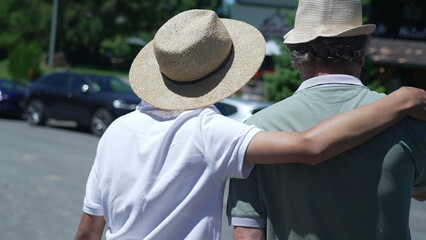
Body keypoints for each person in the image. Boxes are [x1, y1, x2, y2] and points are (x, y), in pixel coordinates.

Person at [74, 9, 426, 240]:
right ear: (363, 55)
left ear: (296, 60)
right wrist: (403, 100)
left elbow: (89, 231)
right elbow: (310, 147)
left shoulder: (117, 129)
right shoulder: (212, 132)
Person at [227, 0, 426, 240]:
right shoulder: (409, 120)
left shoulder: (255, 133)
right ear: (362, 55)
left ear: (296, 58)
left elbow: (247, 232)